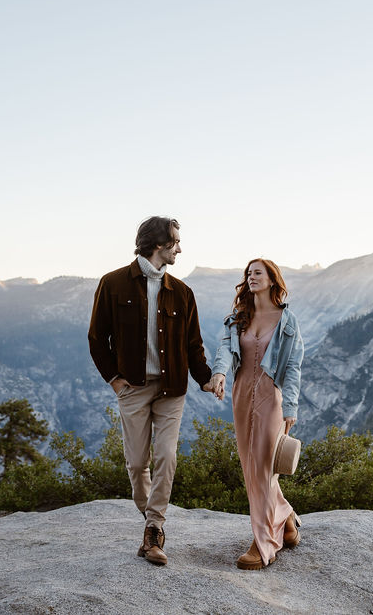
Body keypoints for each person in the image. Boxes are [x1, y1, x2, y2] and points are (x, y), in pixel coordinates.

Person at [88, 217, 221, 566]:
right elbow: (97, 339)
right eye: (175, 241)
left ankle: (154, 530)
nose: (180, 247)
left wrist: (205, 378)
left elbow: (194, 345)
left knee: (166, 456)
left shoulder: (182, 292)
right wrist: (115, 380)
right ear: (158, 244)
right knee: (136, 464)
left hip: (172, 388)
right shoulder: (113, 284)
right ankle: (151, 519)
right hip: (132, 387)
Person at [208, 258, 305, 570]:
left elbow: (292, 366)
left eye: (257, 273)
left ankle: (263, 542)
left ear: (272, 280)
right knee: (251, 466)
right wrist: (220, 374)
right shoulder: (239, 318)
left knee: (262, 469)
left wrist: (290, 406)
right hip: (240, 395)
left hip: (270, 396)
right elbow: (225, 349)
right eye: (248, 273)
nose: (251, 277)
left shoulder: (286, 320)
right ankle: (286, 515)